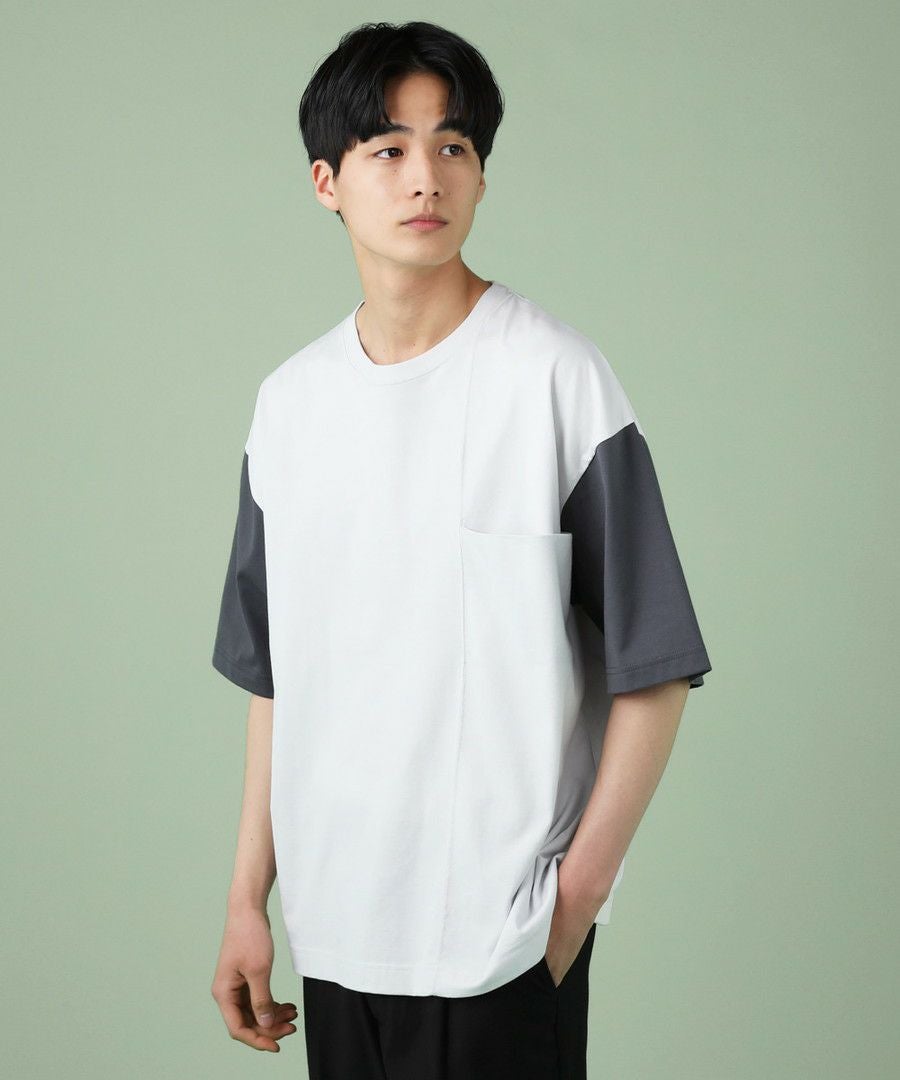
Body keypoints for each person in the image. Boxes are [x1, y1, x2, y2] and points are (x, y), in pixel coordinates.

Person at [208, 19, 712, 1080]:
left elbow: (657, 665)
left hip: (502, 943)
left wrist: (572, 905)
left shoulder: (555, 380)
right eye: (388, 148)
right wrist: (247, 901)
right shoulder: (289, 408)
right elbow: (275, 678)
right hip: (335, 932)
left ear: (481, 175)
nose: (425, 176)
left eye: (453, 146)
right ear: (326, 181)